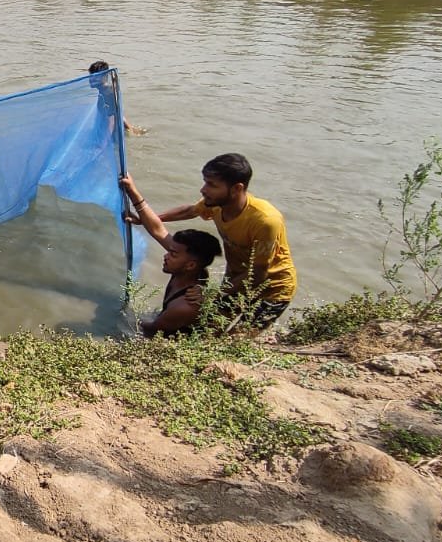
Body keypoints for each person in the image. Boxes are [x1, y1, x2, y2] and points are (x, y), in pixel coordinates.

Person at [153, 153, 297, 329]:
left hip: (273, 288)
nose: (203, 189)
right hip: (237, 280)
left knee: (236, 339)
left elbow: (259, 273)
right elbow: (190, 211)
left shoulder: (265, 221)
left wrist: (213, 294)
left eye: (212, 185)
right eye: (205, 182)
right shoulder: (216, 204)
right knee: (208, 330)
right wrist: (150, 218)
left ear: (236, 188)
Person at [120, 174, 221, 336]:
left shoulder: (184, 306)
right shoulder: (194, 272)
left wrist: (120, 319)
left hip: (173, 339)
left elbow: (149, 329)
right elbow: (158, 230)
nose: (166, 255)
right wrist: (132, 191)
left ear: (190, 265)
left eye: (172, 254)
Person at [88, 61, 146, 136]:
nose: (90, 79)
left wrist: (104, 144)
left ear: (105, 76)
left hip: (112, 132)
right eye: (90, 76)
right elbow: (117, 113)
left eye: (95, 76)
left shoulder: (108, 93)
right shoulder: (104, 91)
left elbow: (112, 119)